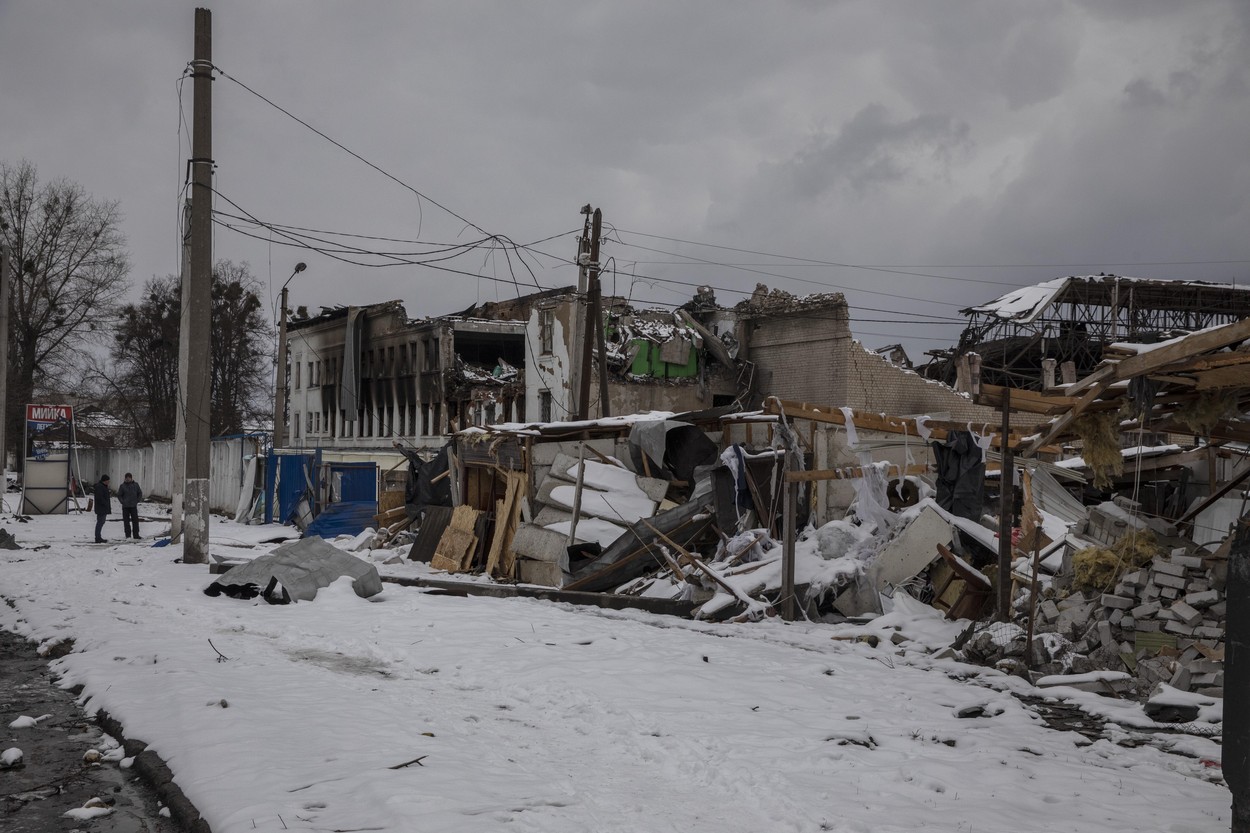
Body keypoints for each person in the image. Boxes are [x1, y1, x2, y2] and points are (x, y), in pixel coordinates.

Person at [117, 472, 143, 539]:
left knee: (135, 521)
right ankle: (128, 535)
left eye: (129, 478)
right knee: (126, 522)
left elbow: (140, 493)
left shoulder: (136, 485)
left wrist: (137, 500)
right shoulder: (122, 486)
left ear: (131, 478)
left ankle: (136, 534)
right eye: (126, 478)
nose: (128, 479)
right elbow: (119, 495)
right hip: (125, 507)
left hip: (133, 506)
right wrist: (122, 502)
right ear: (125, 478)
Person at [93, 475, 112, 543]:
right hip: (101, 508)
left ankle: (98, 537)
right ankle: (97, 537)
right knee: (100, 522)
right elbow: (100, 498)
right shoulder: (100, 487)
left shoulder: (102, 486)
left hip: (102, 508)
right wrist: (105, 504)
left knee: (101, 522)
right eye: (108, 480)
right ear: (105, 480)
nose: (109, 482)